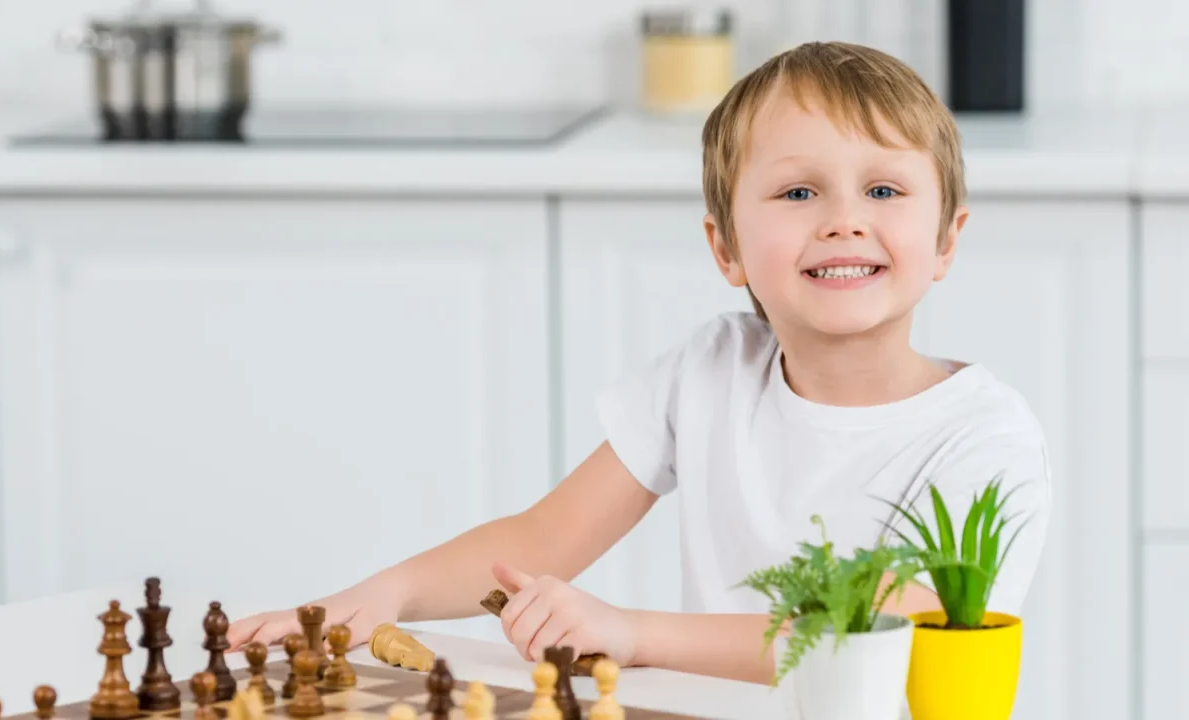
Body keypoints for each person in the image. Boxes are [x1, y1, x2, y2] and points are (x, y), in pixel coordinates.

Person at [226, 41, 1052, 685]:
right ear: (725, 247)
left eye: (883, 191)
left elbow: (887, 640)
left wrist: (629, 634)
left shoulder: (984, 437)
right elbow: (546, 535)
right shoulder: (713, 369)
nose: (843, 221)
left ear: (946, 240)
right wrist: (388, 594)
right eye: (799, 193)